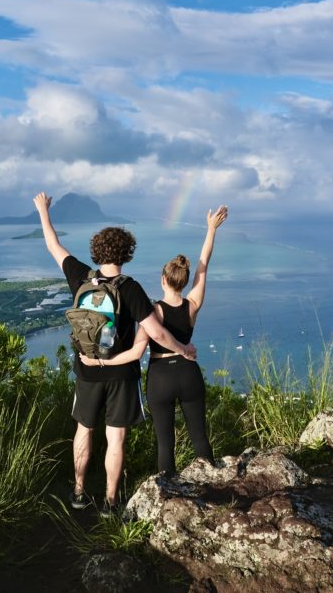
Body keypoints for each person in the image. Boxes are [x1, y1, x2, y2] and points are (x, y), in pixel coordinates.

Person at [32, 192, 197, 514]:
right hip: (121, 374)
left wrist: (42, 210)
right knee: (115, 438)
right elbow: (157, 331)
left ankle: (78, 492)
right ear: (127, 253)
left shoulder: (81, 276)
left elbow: (53, 245)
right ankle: (110, 501)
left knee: (84, 430)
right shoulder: (131, 288)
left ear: (96, 251)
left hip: (86, 369)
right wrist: (183, 350)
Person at [81, 205, 228, 475]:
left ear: (163, 280)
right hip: (188, 373)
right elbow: (203, 268)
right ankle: (213, 485)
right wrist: (211, 230)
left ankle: (169, 496)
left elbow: (136, 352)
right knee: (200, 437)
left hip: (160, 377)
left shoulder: (153, 312)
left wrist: (99, 361)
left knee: (165, 444)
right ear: (183, 281)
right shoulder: (192, 305)